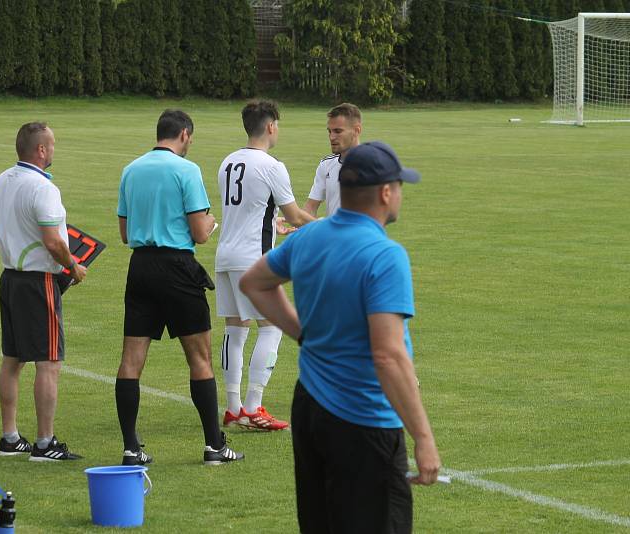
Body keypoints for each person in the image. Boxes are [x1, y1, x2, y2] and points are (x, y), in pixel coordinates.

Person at [240, 141, 441, 533]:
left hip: (311, 407)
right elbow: (388, 355)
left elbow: (255, 282)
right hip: (364, 418)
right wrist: (423, 436)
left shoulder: (308, 237)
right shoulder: (385, 256)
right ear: (386, 192)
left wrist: (303, 334)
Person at [116, 109, 244, 466]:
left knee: (131, 360)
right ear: (184, 135)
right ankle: (215, 446)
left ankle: (131, 447)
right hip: (177, 267)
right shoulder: (187, 170)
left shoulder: (131, 169)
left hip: (140, 266)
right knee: (199, 359)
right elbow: (201, 233)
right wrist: (212, 221)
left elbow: (125, 234)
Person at [0, 121, 87, 462]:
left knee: (13, 358)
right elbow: (54, 241)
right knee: (49, 361)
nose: (54, 149)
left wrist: (16, 246)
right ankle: (45, 443)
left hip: (10, 278)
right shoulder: (43, 188)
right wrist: (73, 268)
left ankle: (9, 437)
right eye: (52, 145)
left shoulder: (3, 179)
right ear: (41, 150)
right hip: (38, 282)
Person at [215, 100, 314, 431]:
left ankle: (232, 407)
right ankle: (254, 406)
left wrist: (276, 223)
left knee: (235, 328)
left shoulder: (228, 162)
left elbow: (257, 210)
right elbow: (296, 214)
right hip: (253, 260)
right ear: (271, 126)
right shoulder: (272, 166)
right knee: (271, 328)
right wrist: (329, 229)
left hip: (225, 256)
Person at [303, 102, 363, 218]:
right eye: (329, 131)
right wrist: (299, 223)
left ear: (357, 130)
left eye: (338, 131)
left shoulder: (373, 164)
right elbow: (310, 208)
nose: (331, 137)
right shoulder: (326, 164)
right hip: (333, 236)